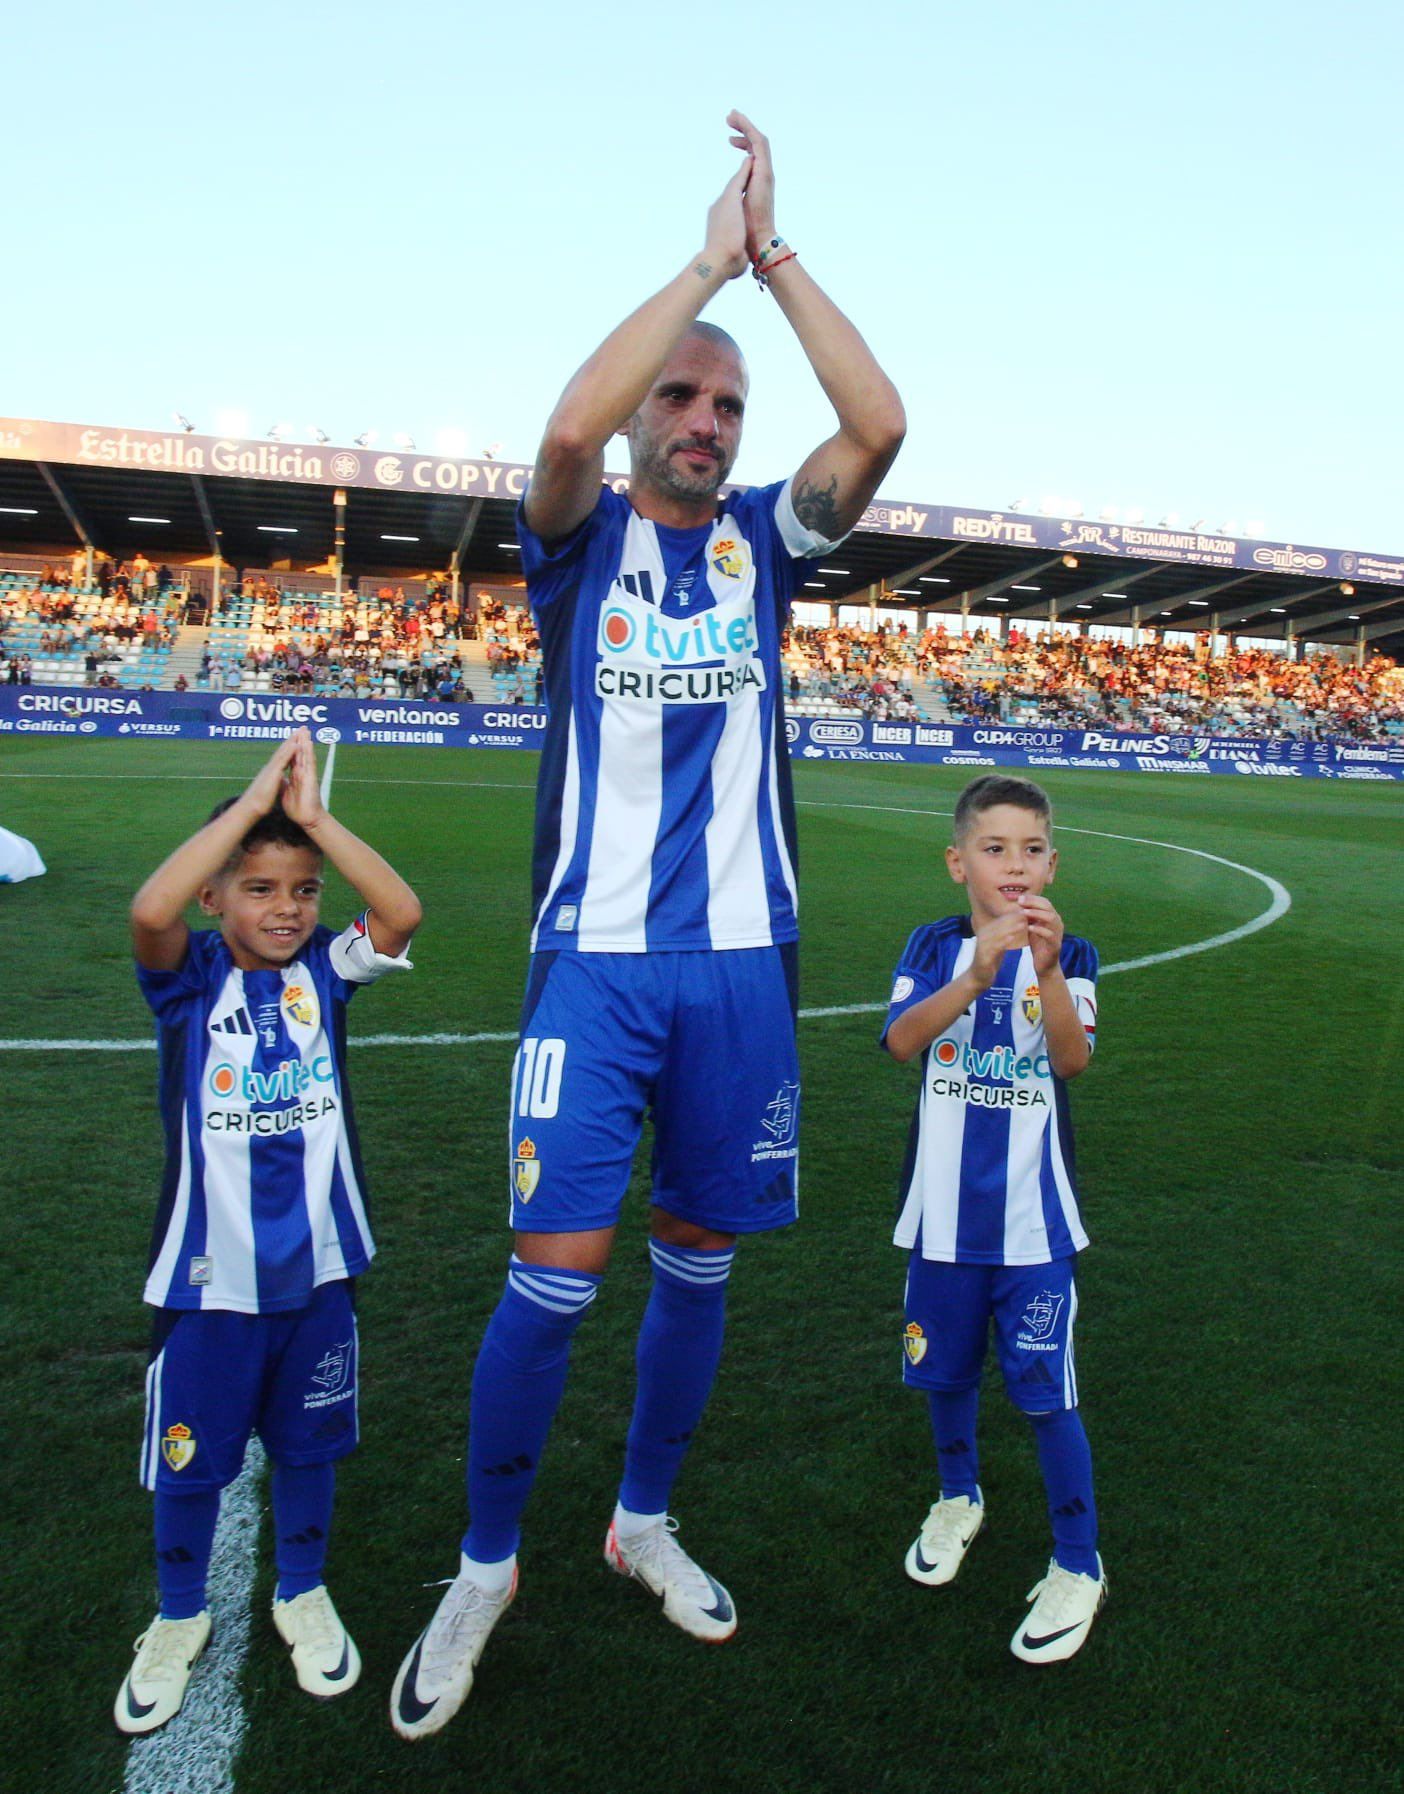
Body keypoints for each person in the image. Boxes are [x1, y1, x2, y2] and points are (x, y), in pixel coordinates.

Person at [390, 109, 904, 1741]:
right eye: (679, 397)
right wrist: (697, 266)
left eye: (725, 405)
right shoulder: (577, 540)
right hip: (593, 971)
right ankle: (484, 1560)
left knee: (695, 1264)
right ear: (640, 425)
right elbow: (558, 428)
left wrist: (776, 263)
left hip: (743, 971)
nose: (699, 421)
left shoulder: (764, 545)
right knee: (552, 1271)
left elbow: (877, 421)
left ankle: (640, 1515)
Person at [114, 729, 421, 1734]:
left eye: (301, 890)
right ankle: (176, 1614)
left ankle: (302, 1588)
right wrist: (250, 811)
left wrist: (317, 822)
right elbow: (150, 911)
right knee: (193, 1455)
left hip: (322, 1270)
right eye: (258, 888)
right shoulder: (188, 979)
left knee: (308, 1446)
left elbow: (401, 913)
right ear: (218, 898)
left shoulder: (326, 973)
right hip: (208, 1278)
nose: (285, 909)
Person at [879, 774, 1106, 1664]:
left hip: (1032, 1223)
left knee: (1047, 1394)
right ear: (957, 862)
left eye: (1033, 848)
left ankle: (1078, 1563)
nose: (1015, 865)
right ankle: (957, 1493)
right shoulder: (934, 945)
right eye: (994, 847)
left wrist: (1040, 971)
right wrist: (977, 973)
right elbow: (900, 1040)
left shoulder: (1073, 952)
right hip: (940, 1220)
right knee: (943, 1374)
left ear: (1055, 862)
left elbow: (1072, 1059)